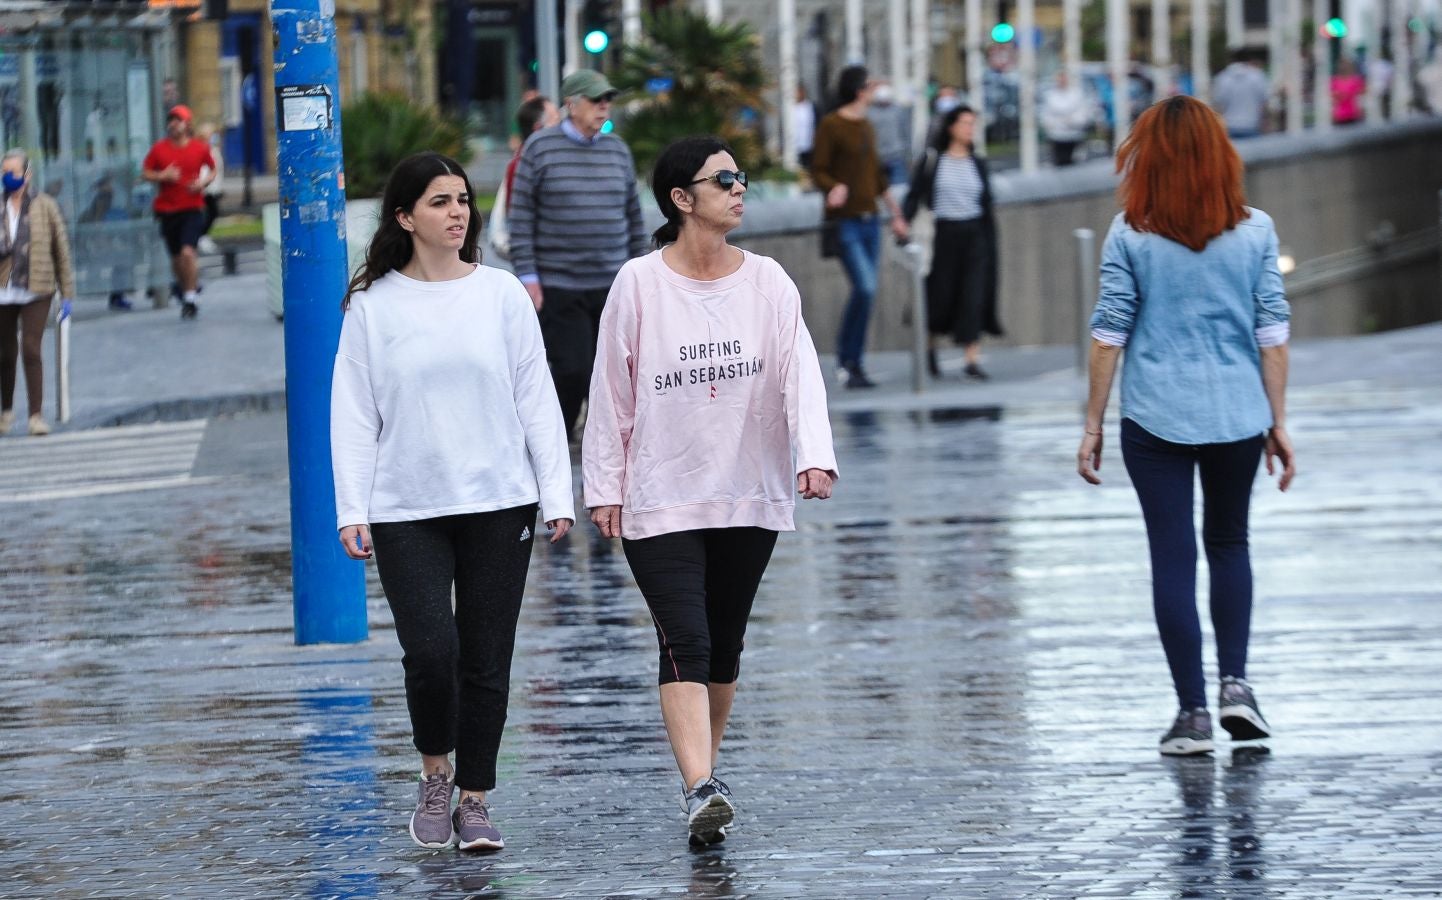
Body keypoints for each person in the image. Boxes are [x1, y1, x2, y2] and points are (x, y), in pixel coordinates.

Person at [582, 136, 838, 846]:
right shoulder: (638, 284)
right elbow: (612, 392)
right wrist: (604, 485)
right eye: (723, 179)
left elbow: (801, 373)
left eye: (741, 177)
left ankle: (705, 783)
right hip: (659, 494)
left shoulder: (769, 282)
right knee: (685, 640)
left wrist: (813, 455)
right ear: (680, 199)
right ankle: (700, 786)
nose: (739, 188)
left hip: (745, 490)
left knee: (723, 647)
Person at [330, 152, 575, 850]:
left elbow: (537, 400)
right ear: (406, 217)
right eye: (440, 201)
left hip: (499, 502)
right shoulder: (373, 309)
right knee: (431, 652)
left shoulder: (500, 296)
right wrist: (353, 507)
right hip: (406, 507)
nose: (458, 212)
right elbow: (352, 415)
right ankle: (434, 773)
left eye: (463, 199)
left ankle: (474, 798)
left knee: (487, 658)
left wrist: (555, 493)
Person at [1076, 96, 1296, 757]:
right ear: (1220, 156)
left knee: (1172, 556)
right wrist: (1277, 422)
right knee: (1230, 544)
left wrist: (1091, 425)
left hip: (1155, 418)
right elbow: (1273, 333)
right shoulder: (1255, 230)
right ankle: (1237, 688)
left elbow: (1108, 334)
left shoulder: (1130, 234)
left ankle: (1193, 716)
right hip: (1237, 413)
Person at [509, 69, 649, 440]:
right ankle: (555, 433)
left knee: (615, 371)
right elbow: (520, 216)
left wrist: (642, 273)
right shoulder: (540, 148)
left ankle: (598, 439)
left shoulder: (618, 150)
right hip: (559, 283)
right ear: (572, 103)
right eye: (596, 99)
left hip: (613, 283)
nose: (604, 107)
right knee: (572, 368)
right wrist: (528, 275)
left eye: (608, 100)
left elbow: (634, 217)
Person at [811, 65, 909, 389]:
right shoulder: (832, 124)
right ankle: (845, 358)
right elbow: (819, 168)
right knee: (865, 287)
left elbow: (877, 176)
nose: (875, 90)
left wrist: (895, 214)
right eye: (869, 85)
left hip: (870, 219)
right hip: (846, 222)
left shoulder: (866, 125)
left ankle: (856, 362)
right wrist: (833, 187)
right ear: (858, 89)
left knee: (867, 293)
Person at [902, 105, 1002, 381]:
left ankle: (971, 357)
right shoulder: (934, 160)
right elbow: (914, 195)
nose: (970, 129)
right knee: (939, 294)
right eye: (965, 123)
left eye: (973, 124)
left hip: (975, 234)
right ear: (951, 127)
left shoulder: (977, 162)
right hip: (941, 235)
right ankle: (930, 346)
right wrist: (903, 223)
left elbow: (986, 201)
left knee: (974, 294)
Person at [0, 149, 74, 438]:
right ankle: (6, 411)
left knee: (31, 348)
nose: (8, 177)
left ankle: (36, 415)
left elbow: (61, 250)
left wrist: (67, 293)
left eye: (13, 172)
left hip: (37, 286)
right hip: (4, 289)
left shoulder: (45, 206)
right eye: (4, 172)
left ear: (27, 175)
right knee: (5, 354)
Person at [141, 105, 214, 320]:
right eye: (171, 120)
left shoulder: (199, 148)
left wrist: (202, 183)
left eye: (178, 120)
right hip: (167, 210)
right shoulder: (159, 149)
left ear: (187, 124)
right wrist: (162, 176)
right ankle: (187, 289)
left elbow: (213, 169)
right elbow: (145, 173)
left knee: (187, 253)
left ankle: (190, 297)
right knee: (175, 259)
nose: (173, 124)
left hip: (192, 208)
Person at [488, 95, 559, 260]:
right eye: (556, 119)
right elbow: (518, 225)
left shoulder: (524, 162)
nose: (562, 126)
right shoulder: (524, 166)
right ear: (538, 128)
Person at [1212, 49, 1271, 139]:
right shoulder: (1257, 76)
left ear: (1230, 60)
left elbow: (1218, 105)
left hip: (1229, 126)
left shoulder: (1223, 77)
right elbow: (1264, 103)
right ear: (1249, 59)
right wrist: (1265, 122)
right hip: (1252, 125)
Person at [1039, 69, 1094, 165]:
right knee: (1059, 160)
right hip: (1056, 134)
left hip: (1074, 133)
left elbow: (1083, 112)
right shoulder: (1051, 95)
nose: (1061, 81)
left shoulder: (1076, 94)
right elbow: (1046, 113)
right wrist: (1052, 124)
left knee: (1074, 162)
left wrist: (1073, 121)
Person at [866, 80, 911, 184]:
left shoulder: (898, 110)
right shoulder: (869, 111)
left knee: (899, 191)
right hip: (876, 158)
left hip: (897, 157)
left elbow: (906, 133)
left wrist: (908, 155)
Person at [195, 122, 225, 255]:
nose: (215, 137)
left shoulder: (213, 148)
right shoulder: (203, 149)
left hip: (213, 187)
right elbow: (204, 169)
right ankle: (201, 237)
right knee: (211, 213)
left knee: (212, 213)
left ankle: (201, 237)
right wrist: (203, 184)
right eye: (212, 135)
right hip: (206, 188)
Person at [1331, 56, 1366, 125]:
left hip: (1353, 115)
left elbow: (1363, 94)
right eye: (1341, 65)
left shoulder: (1356, 80)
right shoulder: (1334, 80)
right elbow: (1334, 97)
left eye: (1346, 65)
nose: (1343, 67)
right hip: (1339, 116)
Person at [792, 84, 819, 172]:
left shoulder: (811, 106)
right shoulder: (791, 108)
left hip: (809, 144)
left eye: (801, 92)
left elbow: (817, 123)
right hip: (795, 145)